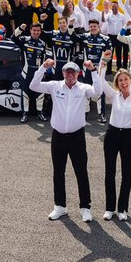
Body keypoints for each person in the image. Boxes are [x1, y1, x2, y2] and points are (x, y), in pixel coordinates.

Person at [31, 59, 103, 222]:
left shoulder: (84, 88)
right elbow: (33, 86)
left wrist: (93, 71)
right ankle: (60, 206)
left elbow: (98, 92)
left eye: (73, 72)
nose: (70, 75)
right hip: (58, 136)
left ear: (78, 74)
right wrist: (43, 67)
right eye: (67, 72)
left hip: (77, 136)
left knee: (81, 172)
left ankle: (85, 207)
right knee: (58, 172)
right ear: (63, 73)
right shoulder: (55, 85)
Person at [100, 61, 131, 221]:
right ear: (117, 83)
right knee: (109, 173)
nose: (124, 83)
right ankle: (109, 208)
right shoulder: (114, 96)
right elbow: (101, 82)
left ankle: (122, 209)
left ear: (130, 81)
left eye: (126, 79)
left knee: (127, 174)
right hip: (112, 135)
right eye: (120, 80)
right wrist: (103, 64)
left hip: (128, 137)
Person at [14, 22, 50, 123]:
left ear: (40, 31)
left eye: (38, 30)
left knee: (40, 93)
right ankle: (25, 114)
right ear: (30, 31)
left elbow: (44, 59)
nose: (36, 32)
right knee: (25, 93)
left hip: (38, 72)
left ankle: (40, 113)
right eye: (34, 30)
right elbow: (13, 38)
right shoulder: (24, 40)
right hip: (26, 72)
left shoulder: (43, 44)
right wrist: (20, 28)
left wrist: (43, 72)